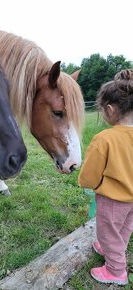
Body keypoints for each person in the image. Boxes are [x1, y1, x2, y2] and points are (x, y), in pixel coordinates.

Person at [78, 69, 133, 285]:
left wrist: (85, 183)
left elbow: (90, 175)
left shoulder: (105, 139)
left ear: (110, 109)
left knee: (108, 231)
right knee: (123, 229)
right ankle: (110, 246)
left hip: (113, 200)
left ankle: (116, 271)